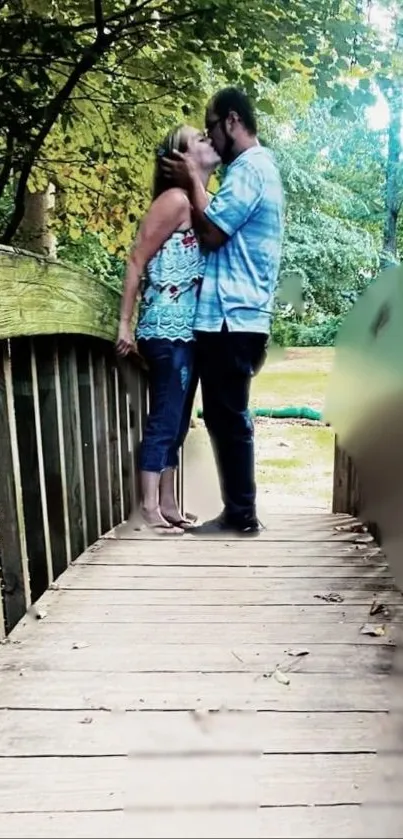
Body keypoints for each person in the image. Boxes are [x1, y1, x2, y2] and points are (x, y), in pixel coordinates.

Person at [162, 88, 284, 536]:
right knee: (224, 413)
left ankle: (241, 515)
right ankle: (239, 512)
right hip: (235, 317)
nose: (210, 138)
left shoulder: (251, 169)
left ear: (232, 120)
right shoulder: (254, 171)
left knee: (227, 415)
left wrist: (193, 176)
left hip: (233, 317)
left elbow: (211, 233)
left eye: (211, 125)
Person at [116, 124, 219, 535]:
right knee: (164, 418)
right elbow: (137, 258)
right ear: (180, 159)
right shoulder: (174, 200)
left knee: (177, 421)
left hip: (188, 333)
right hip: (165, 327)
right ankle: (148, 507)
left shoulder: (199, 202)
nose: (209, 140)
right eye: (199, 139)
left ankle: (170, 502)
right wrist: (125, 323)